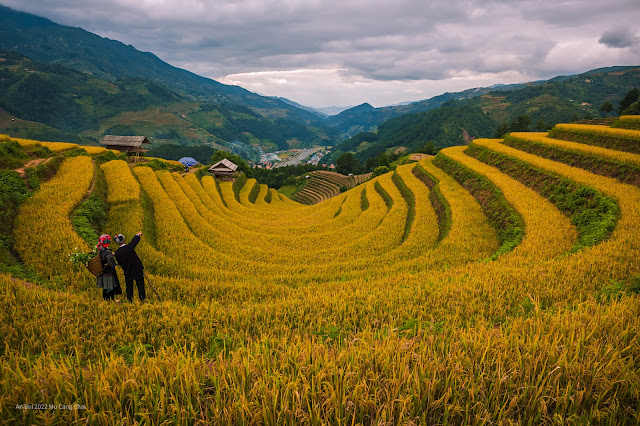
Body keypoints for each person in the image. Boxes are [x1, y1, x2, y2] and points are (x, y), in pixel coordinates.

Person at [114, 232, 146, 302]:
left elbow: (120, 262)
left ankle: (130, 300)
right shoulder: (129, 247)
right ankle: (142, 299)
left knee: (129, 286)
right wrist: (137, 235)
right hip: (137, 269)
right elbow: (134, 241)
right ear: (124, 240)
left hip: (127, 271)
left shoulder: (117, 252)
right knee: (140, 285)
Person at [96, 234, 122, 301]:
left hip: (103, 270)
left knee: (105, 287)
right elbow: (110, 262)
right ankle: (111, 299)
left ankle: (105, 299)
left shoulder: (101, 250)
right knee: (110, 286)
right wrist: (116, 264)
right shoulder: (108, 252)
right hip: (109, 271)